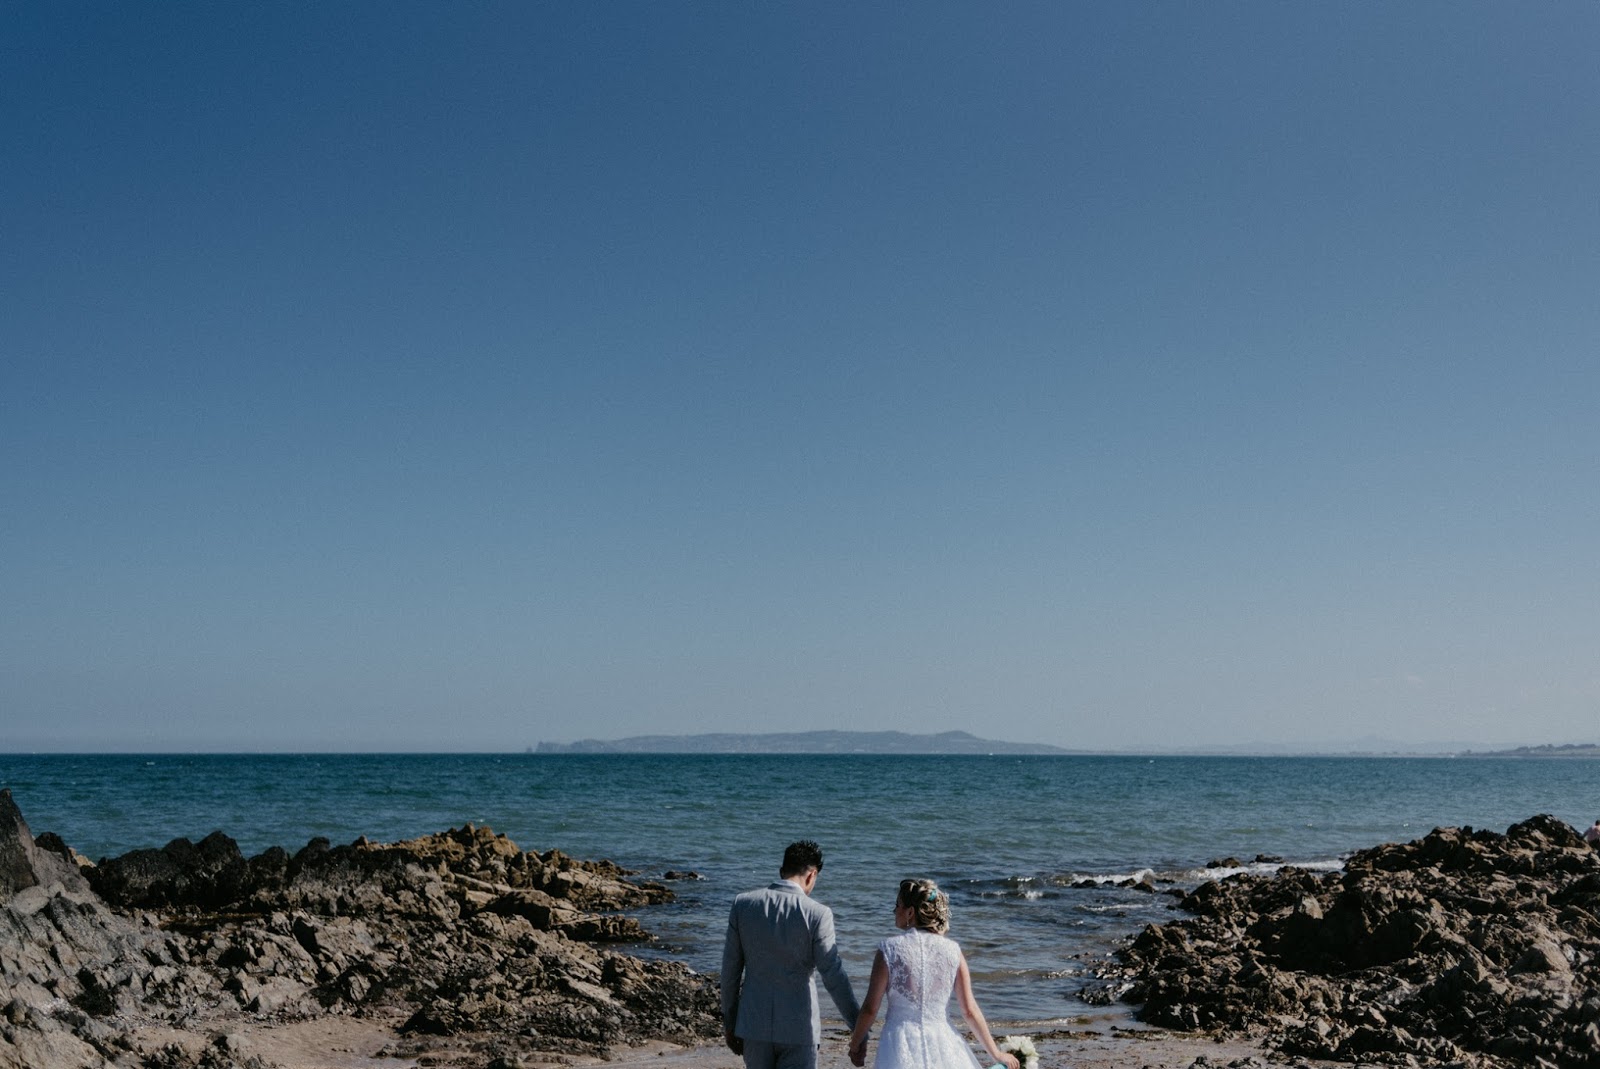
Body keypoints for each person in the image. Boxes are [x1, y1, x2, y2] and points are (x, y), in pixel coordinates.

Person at [848, 878, 1019, 1069]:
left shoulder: (889, 949)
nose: (894, 911)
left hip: (900, 1043)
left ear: (910, 912)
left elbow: (871, 1008)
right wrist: (996, 1053)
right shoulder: (953, 951)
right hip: (943, 1041)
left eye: (898, 905)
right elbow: (969, 1011)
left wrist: (855, 1044)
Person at [722, 840, 861, 1069]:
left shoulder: (743, 905)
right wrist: (857, 1025)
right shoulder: (818, 914)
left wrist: (730, 1022)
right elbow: (832, 976)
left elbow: (730, 972)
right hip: (799, 1028)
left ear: (782, 871)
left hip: (754, 1026)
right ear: (812, 875)